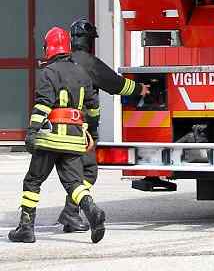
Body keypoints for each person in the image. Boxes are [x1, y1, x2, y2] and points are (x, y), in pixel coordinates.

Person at [9, 27, 106, 244]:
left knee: (33, 180)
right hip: (74, 140)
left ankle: (26, 227)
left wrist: (32, 132)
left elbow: (42, 106)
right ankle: (92, 210)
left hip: (50, 138)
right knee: (74, 183)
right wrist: (92, 132)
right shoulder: (82, 73)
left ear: (48, 48)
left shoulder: (48, 73)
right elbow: (94, 109)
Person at [55, 18, 149, 233]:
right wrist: (140, 89)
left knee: (65, 174)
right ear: (90, 41)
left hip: (59, 128)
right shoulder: (88, 63)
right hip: (81, 130)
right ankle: (70, 213)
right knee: (88, 172)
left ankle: (65, 215)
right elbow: (117, 84)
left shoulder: (62, 62)